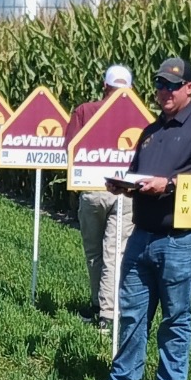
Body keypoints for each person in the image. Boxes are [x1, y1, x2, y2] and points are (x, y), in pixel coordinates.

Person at [105, 58, 191, 380]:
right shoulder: (151, 131)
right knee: (132, 311)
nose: (164, 91)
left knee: (175, 316)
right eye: (159, 84)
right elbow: (137, 173)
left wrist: (169, 186)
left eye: (172, 85)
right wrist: (125, 185)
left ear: (190, 88)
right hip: (142, 234)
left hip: (181, 239)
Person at [65, 64, 135, 321]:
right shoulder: (137, 115)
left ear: (105, 86)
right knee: (115, 252)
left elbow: (70, 148)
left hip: (92, 190)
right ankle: (107, 310)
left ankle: (101, 308)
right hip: (125, 194)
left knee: (94, 252)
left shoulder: (85, 111)